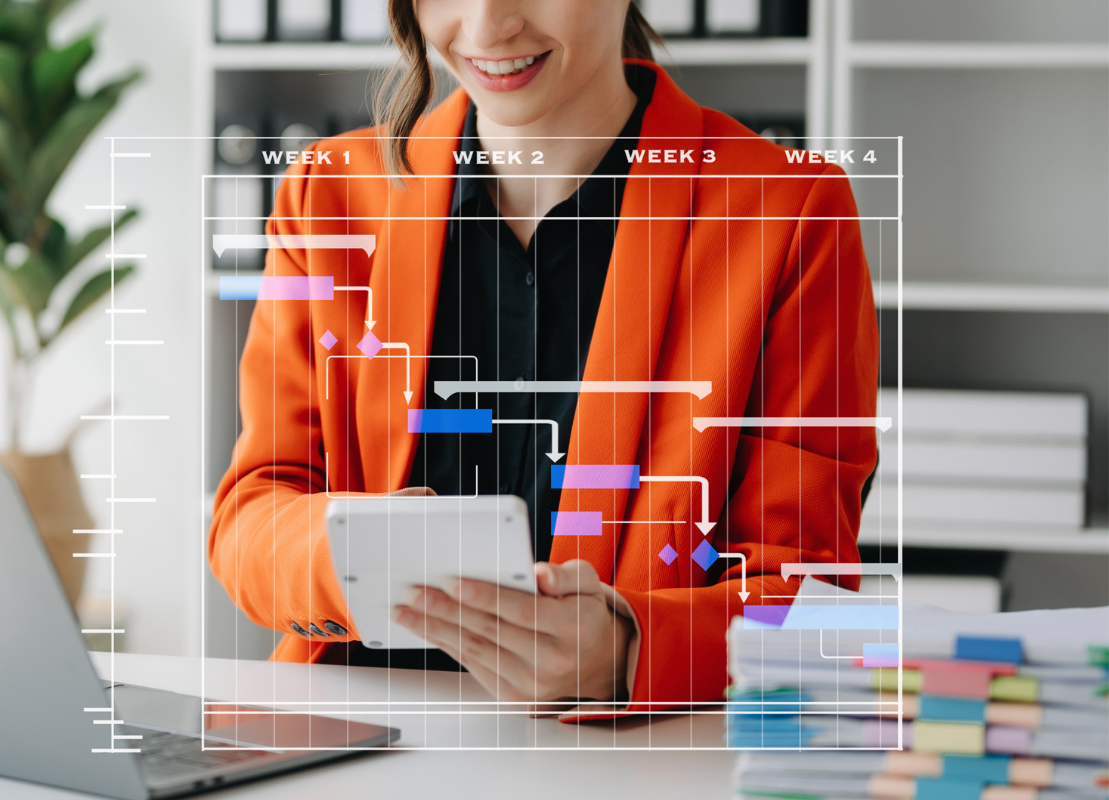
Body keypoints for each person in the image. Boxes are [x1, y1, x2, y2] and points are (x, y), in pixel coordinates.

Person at [209, 0, 878, 716]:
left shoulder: (787, 211)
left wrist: (630, 649)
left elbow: (811, 605)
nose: (489, 28)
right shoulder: (330, 194)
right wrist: (347, 549)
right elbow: (250, 518)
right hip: (359, 744)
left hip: (617, 766)